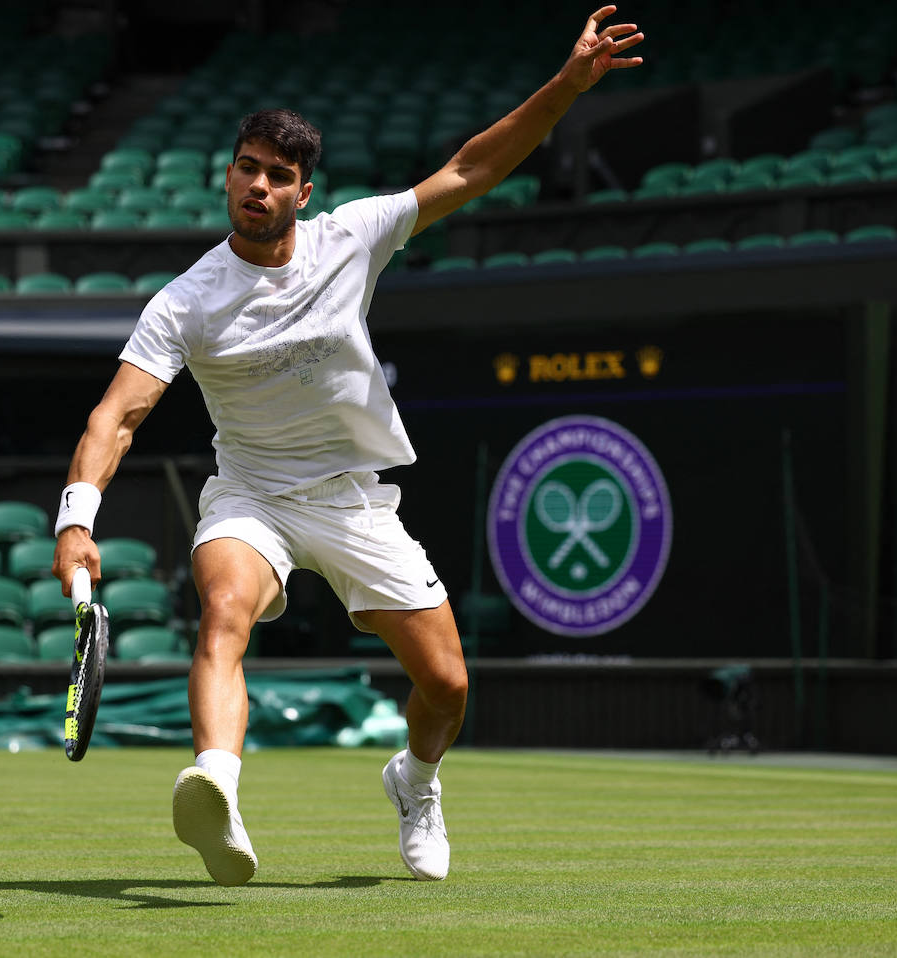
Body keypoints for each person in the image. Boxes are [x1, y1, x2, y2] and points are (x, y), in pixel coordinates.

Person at [52, 5, 644, 886]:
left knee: (446, 687)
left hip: (354, 500)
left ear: (303, 192)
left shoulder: (353, 238)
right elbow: (117, 416)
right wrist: (76, 515)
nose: (257, 185)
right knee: (222, 615)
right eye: (246, 168)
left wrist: (567, 84)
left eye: (277, 175)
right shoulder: (185, 301)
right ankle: (216, 784)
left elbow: (471, 166)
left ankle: (417, 779)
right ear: (228, 177)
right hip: (251, 495)